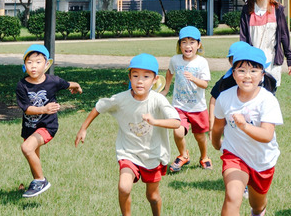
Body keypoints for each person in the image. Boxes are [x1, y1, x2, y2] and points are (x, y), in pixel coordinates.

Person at [75, 54, 181, 216]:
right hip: (128, 153)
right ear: (129, 77)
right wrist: (83, 128)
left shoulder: (158, 100)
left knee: (152, 196)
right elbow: (99, 106)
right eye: (135, 75)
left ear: (155, 80)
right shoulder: (121, 99)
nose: (140, 80)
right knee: (124, 188)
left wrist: (155, 121)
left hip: (153, 155)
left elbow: (176, 122)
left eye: (146, 76)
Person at [211, 46, 283, 216]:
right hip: (235, 155)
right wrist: (216, 144)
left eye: (253, 70)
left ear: (262, 75)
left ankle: (258, 212)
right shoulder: (225, 98)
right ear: (233, 73)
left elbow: (267, 135)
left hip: (263, 160)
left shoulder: (267, 101)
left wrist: (244, 126)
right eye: (241, 70)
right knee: (233, 196)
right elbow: (218, 126)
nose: (247, 75)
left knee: (257, 205)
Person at [16, 44, 82, 198]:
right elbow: (27, 109)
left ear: (46, 64)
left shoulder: (53, 81)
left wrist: (77, 87)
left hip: (47, 126)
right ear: (24, 65)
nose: (33, 66)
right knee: (33, 157)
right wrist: (44, 109)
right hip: (29, 127)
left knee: (26, 148)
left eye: (38, 62)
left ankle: (41, 181)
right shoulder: (22, 85)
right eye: (29, 62)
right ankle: (37, 185)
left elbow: (68, 84)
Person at [164, 26, 213, 171]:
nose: (188, 45)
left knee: (200, 137)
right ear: (179, 45)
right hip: (179, 106)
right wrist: (166, 88)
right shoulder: (175, 60)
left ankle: (204, 157)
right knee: (178, 132)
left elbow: (204, 84)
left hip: (197, 107)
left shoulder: (202, 62)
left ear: (198, 45)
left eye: (192, 42)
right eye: (184, 42)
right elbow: (169, 72)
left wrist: (194, 79)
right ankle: (183, 155)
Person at [239, 0, 291, 86]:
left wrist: (289, 59)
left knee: (270, 95)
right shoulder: (247, 10)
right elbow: (243, 37)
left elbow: (284, 35)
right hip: (253, 60)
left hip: (272, 60)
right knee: (253, 95)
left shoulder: (277, 9)